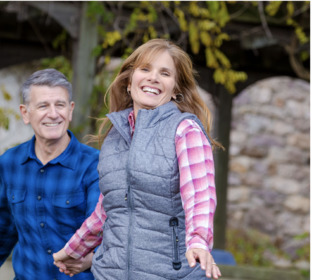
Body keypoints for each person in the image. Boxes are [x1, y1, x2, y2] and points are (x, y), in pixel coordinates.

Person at [53, 39, 222, 279]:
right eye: (145, 69)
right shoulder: (115, 136)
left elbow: (200, 195)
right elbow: (107, 209)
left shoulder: (185, 130)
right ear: (129, 81)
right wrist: (74, 250)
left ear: (175, 89)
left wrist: (199, 241)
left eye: (165, 73)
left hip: (172, 273)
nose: (153, 78)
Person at [0, 69, 100, 280]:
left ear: (71, 109)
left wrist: (92, 259)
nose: (54, 114)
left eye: (60, 105)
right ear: (25, 113)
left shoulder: (95, 165)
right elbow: (2, 227)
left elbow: (102, 233)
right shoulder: (10, 163)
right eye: (43, 106)